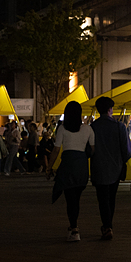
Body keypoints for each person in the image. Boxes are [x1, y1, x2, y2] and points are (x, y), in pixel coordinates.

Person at [49, 102, 96, 242]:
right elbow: (92, 149)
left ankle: (74, 227)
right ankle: (74, 227)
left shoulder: (62, 129)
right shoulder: (88, 129)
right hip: (81, 165)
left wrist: (48, 167)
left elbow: (56, 150)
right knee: (77, 197)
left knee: (70, 198)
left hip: (67, 165)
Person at [90, 96, 131, 240]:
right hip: (115, 168)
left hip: (99, 168)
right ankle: (108, 225)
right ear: (110, 110)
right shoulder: (119, 126)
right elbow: (126, 150)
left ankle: (107, 226)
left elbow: (89, 150)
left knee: (102, 199)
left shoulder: (93, 127)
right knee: (111, 198)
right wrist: (122, 160)